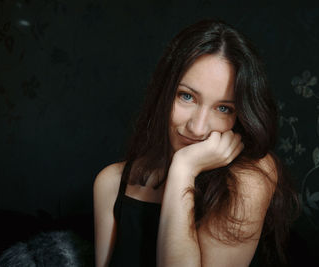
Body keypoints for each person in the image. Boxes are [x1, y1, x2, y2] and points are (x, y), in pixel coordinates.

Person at [93, 19, 298, 267]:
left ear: (240, 115)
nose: (198, 128)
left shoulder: (252, 176)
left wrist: (183, 170)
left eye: (223, 108)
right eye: (186, 96)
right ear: (164, 93)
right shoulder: (112, 184)